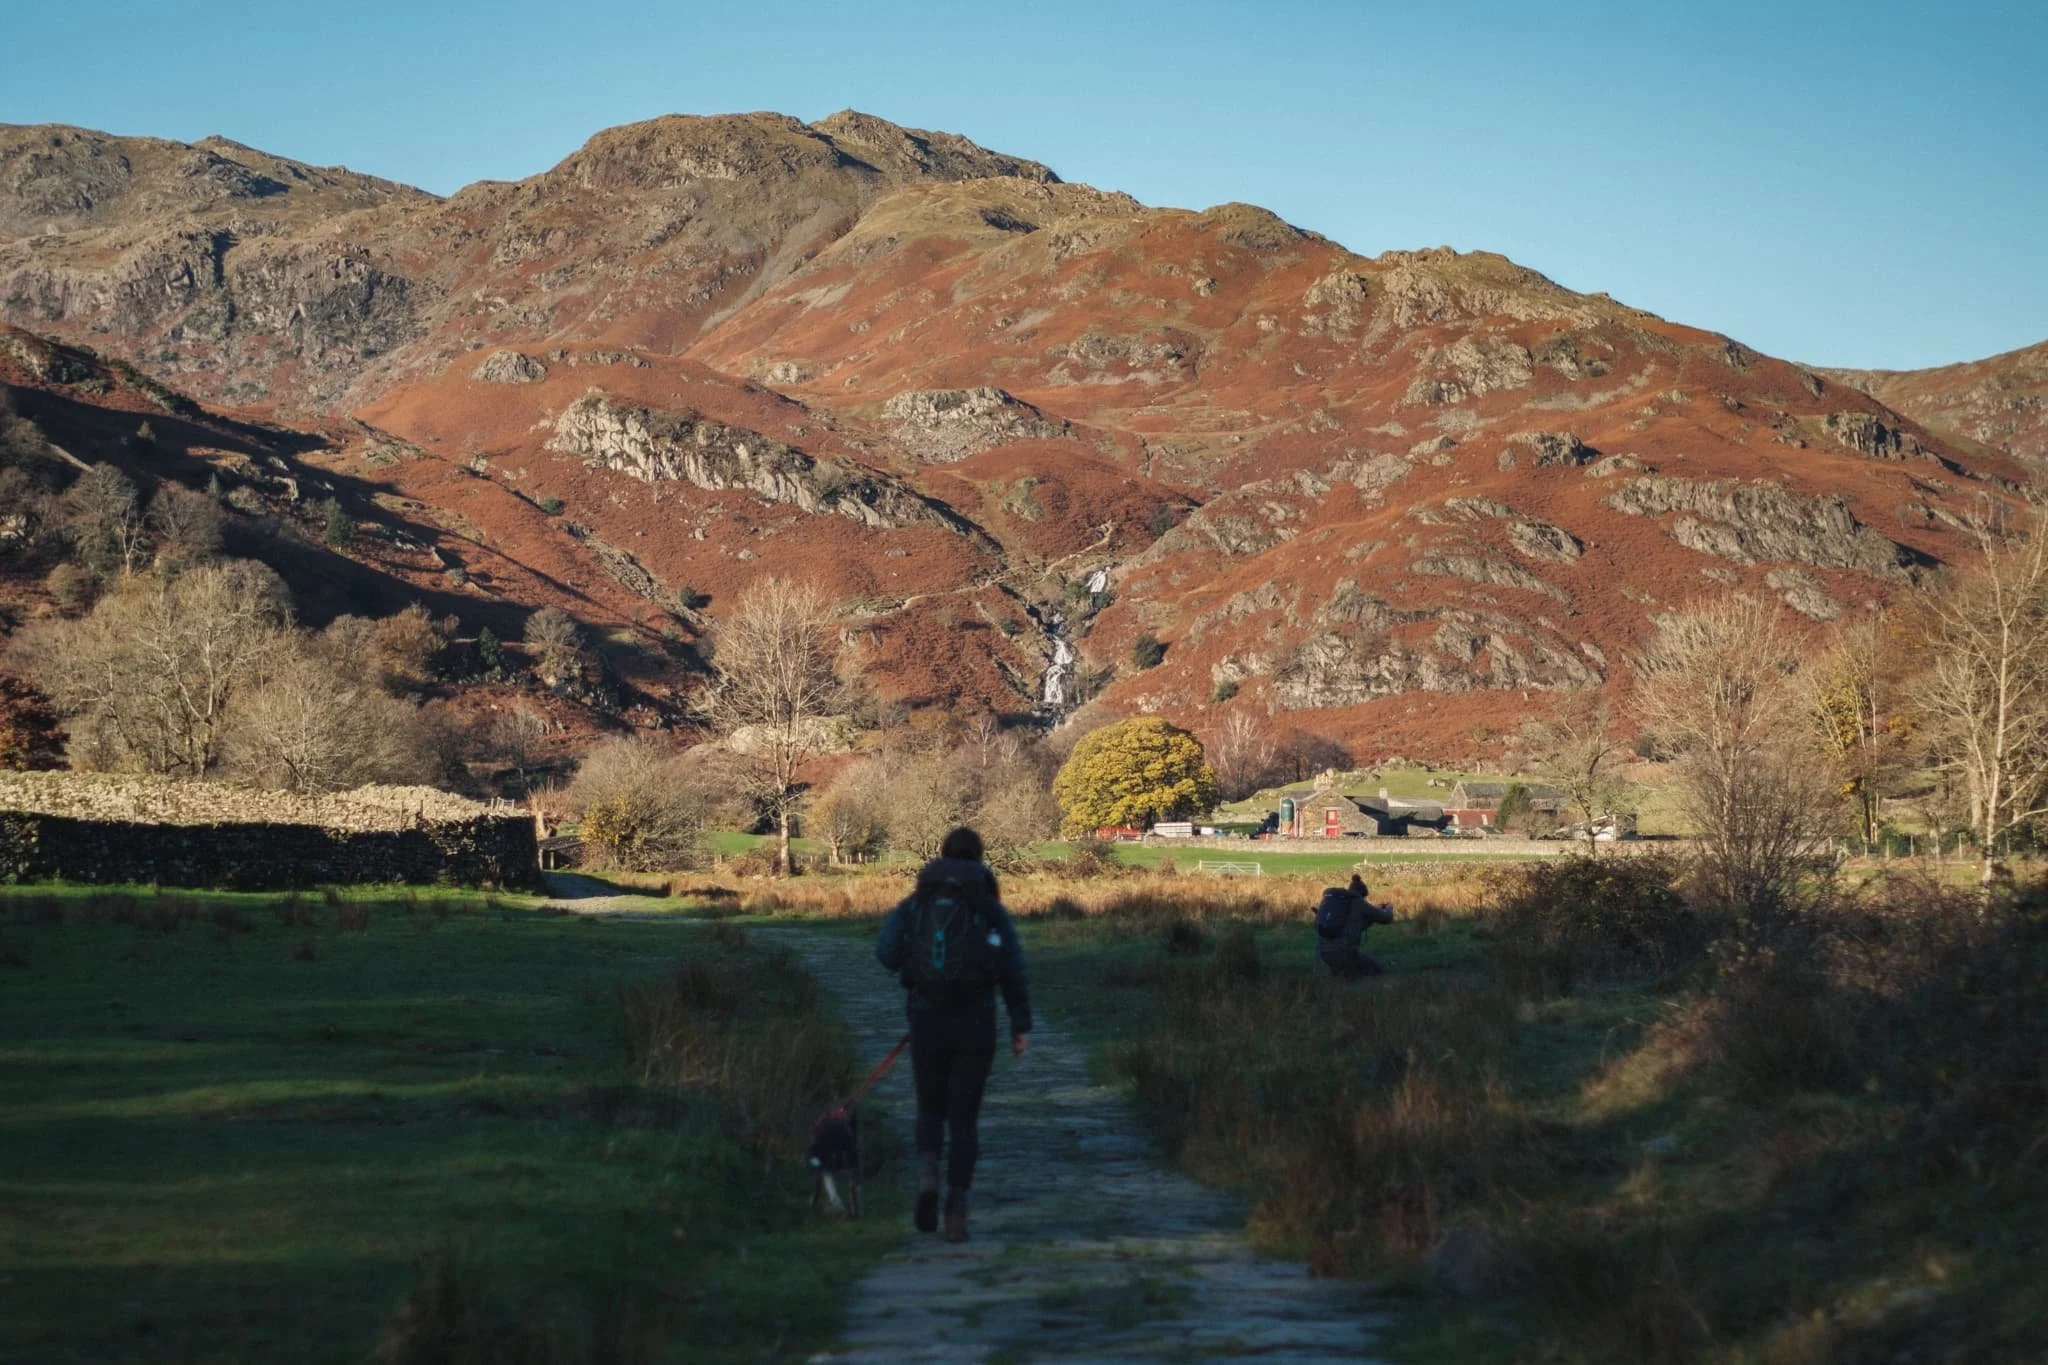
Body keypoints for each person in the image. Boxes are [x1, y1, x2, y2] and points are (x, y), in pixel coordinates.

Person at [875, 826, 1032, 1243]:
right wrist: (1020, 1024)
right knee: (964, 1119)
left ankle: (928, 1180)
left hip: (926, 1019)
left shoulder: (918, 902)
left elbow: (885, 951)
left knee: (930, 1110)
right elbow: (1011, 968)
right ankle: (957, 1207)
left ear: (942, 856)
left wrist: (914, 967)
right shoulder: (987, 906)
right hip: (976, 1022)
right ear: (979, 857)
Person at [1317, 872, 1394, 980]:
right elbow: (1386, 918)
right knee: (1376, 970)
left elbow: (1353, 925)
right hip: (1345, 953)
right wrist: (1389, 907)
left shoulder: (1336, 901)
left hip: (1324, 953)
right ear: (1361, 894)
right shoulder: (1357, 901)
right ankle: (1349, 976)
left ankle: (1339, 974)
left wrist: (1373, 910)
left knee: (1342, 971)